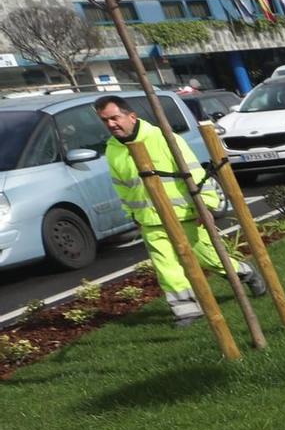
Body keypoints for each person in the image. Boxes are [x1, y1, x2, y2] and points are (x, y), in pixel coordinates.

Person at [97, 95, 263, 326]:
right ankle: (187, 311)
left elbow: (192, 171)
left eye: (114, 118)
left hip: (185, 215)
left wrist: (205, 205)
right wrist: (133, 215)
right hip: (151, 221)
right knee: (166, 267)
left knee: (210, 258)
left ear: (131, 117)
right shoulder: (113, 150)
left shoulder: (163, 138)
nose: (111, 124)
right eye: (105, 120)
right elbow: (123, 187)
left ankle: (244, 272)